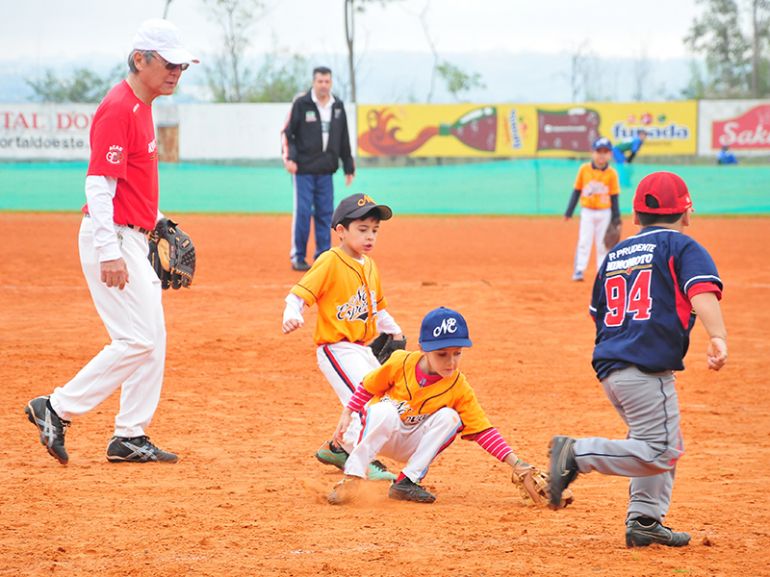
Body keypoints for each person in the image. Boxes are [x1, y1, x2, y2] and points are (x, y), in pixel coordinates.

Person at [24, 19, 198, 465]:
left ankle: (130, 436)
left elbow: (131, 186)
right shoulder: (119, 107)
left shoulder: (143, 106)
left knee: (152, 337)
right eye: (169, 62)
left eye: (182, 64)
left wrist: (160, 224)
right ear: (140, 60)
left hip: (132, 235)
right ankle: (56, 407)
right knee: (137, 339)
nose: (177, 71)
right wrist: (109, 251)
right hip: (113, 237)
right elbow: (99, 186)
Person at [548, 171, 728, 548]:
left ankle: (645, 519)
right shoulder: (682, 247)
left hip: (612, 366)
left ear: (635, 216)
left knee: (659, 439)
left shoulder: (615, 254)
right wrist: (717, 336)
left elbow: (597, 313)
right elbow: (702, 293)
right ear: (685, 210)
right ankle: (576, 453)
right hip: (646, 368)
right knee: (662, 450)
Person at [327, 307, 546, 504]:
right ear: (423, 348)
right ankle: (353, 478)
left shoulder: (458, 386)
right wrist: (348, 412)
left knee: (450, 417)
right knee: (385, 411)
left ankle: (406, 482)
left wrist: (516, 463)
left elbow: (482, 430)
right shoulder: (400, 361)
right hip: (382, 432)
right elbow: (368, 385)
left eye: (457, 353)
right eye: (442, 354)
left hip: (412, 444)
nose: (451, 362)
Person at [281, 193, 403, 481]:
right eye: (362, 229)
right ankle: (360, 463)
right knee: (365, 401)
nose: (370, 236)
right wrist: (291, 314)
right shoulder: (330, 261)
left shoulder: (370, 266)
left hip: (363, 350)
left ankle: (340, 446)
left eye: (375, 230)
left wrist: (394, 330)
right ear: (341, 231)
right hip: (336, 348)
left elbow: (378, 308)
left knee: (386, 399)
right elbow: (297, 294)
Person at [281, 66, 356, 272]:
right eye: (320, 81)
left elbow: (344, 139)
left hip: (326, 170)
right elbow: (287, 134)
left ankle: (322, 257)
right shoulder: (302, 104)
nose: (324, 85)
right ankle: (298, 256)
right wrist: (289, 158)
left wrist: (348, 166)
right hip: (303, 170)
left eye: (327, 82)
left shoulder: (338, 107)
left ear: (331, 83)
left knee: (326, 214)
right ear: (314, 82)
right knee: (303, 213)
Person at [564, 137, 621, 282]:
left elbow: (614, 196)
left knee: (603, 243)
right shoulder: (584, 169)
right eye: (599, 151)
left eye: (605, 152)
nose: (602, 155)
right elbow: (576, 191)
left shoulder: (612, 173)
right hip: (587, 211)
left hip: (604, 212)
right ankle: (579, 270)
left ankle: (601, 271)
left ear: (610, 154)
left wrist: (616, 217)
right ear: (592, 153)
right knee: (584, 240)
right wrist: (569, 212)